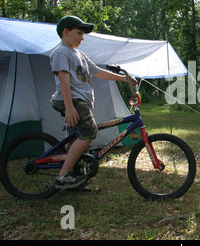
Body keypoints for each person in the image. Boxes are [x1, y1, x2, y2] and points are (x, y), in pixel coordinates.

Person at [50, 15, 137, 189]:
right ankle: (63, 177)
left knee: (78, 138)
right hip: (72, 100)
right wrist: (69, 107)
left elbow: (97, 72)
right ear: (65, 32)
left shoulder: (78, 54)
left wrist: (124, 79)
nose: (82, 38)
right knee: (90, 132)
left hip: (79, 101)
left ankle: (75, 179)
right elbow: (64, 82)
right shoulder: (61, 52)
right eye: (79, 33)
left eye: (83, 34)